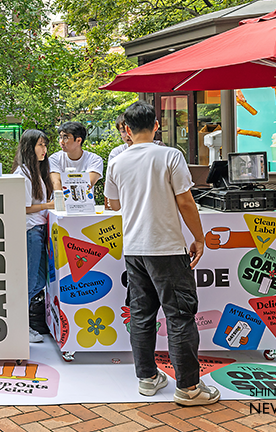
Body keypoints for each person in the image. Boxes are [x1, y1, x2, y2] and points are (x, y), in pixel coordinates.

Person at [104, 101, 219, 406]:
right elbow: (186, 202)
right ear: (157, 126)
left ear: (127, 130)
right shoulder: (170, 155)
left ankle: (147, 378)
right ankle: (189, 388)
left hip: (134, 249)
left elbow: (114, 204)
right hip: (166, 248)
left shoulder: (117, 162)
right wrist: (199, 238)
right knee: (179, 315)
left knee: (141, 315)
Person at [11, 129, 54, 344]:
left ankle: (21, 322)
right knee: (30, 280)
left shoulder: (36, 171)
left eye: (45, 145)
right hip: (31, 231)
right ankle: (21, 326)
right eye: (40, 145)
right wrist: (48, 205)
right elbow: (23, 207)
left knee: (40, 279)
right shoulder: (23, 173)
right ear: (29, 147)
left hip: (40, 229)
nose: (44, 149)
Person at [49, 121, 104, 193]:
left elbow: (87, 185)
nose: (61, 142)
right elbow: (56, 184)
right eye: (60, 137)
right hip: (60, 199)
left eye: (65, 138)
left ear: (78, 140)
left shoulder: (94, 160)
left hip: (84, 200)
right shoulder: (54, 159)